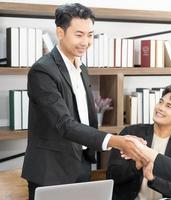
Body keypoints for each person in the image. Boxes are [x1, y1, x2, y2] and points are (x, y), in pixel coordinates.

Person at [21, 3, 145, 200]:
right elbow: (65, 124)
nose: (86, 42)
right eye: (79, 35)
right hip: (51, 171)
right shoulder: (42, 71)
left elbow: (85, 120)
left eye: (90, 35)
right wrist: (116, 141)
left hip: (81, 164)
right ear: (60, 33)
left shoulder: (81, 68)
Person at [106, 85, 171, 200]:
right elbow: (112, 176)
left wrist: (153, 179)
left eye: (169, 106)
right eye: (160, 102)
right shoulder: (131, 133)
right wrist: (136, 165)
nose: (160, 108)